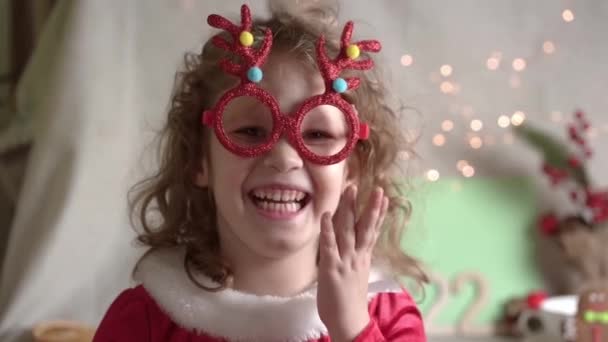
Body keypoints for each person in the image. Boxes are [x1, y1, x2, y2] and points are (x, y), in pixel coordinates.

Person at [93, 2, 427, 341]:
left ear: (350, 168)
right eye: (250, 131)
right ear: (199, 161)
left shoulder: (389, 317)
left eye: (317, 135)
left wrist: (352, 327)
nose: (284, 158)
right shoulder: (145, 322)